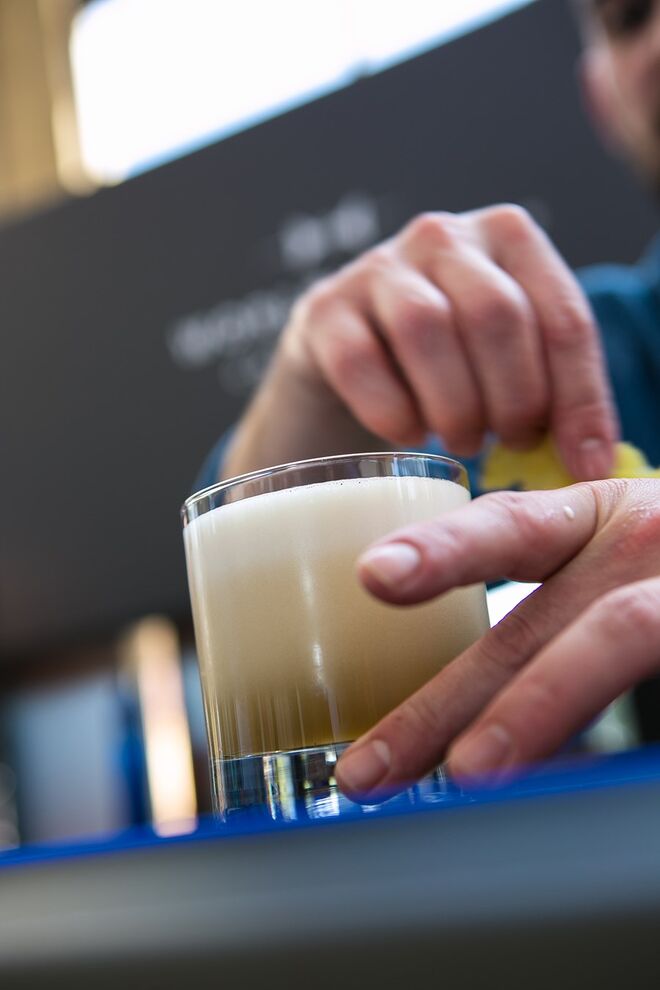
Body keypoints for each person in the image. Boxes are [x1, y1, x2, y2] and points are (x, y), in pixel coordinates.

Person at [200, 0, 660, 792]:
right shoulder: (590, 350)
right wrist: (319, 379)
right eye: (628, 19)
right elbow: (259, 530)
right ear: (601, 94)